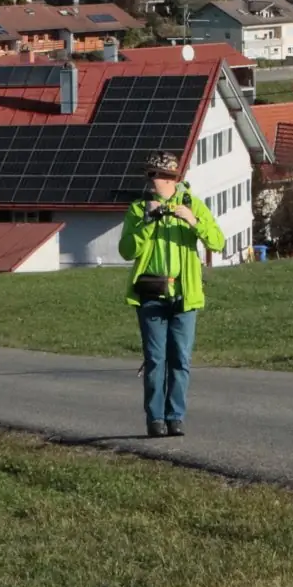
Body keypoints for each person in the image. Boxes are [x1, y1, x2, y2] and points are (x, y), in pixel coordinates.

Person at [118, 151, 224, 438]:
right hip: (151, 294)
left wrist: (193, 221)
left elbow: (217, 241)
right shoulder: (139, 209)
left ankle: (175, 416)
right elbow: (127, 250)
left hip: (185, 295)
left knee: (181, 360)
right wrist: (147, 223)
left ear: (171, 179)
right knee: (155, 360)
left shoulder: (193, 205)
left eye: (155, 175)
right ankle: (155, 419)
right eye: (149, 175)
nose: (150, 181)